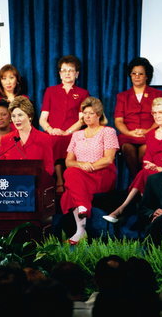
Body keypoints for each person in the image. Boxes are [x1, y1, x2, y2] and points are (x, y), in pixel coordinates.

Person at [104, 98, 162, 223]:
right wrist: (150, 165)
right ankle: (140, 211)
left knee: (145, 175)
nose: (156, 116)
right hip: (154, 170)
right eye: (154, 113)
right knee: (146, 173)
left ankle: (122, 209)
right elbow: (147, 157)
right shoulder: (150, 134)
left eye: (160, 112)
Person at [60, 97, 119, 244]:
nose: (87, 116)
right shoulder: (77, 135)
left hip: (102, 174)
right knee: (70, 172)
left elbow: (108, 159)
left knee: (70, 185)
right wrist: (82, 165)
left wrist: (89, 166)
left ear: (98, 114)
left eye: (91, 113)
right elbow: (68, 162)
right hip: (81, 175)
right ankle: (81, 229)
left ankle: (81, 222)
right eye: (84, 113)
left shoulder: (108, 131)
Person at [39, 55, 89, 194]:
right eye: (64, 70)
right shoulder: (51, 91)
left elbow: (82, 120)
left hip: (72, 133)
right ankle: (59, 181)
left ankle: (70, 181)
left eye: (71, 70)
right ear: (60, 74)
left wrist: (67, 132)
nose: (67, 73)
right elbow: (42, 119)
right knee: (51, 141)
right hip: (53, 132)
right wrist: (50, 129)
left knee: (70, 141)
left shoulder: (83, 93)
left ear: (77, 74)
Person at [114, 57, 162, 180]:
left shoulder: (157, 94)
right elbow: (118, 120)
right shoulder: (123, 96)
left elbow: (160, 118)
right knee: (126, 148)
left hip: (149, 134)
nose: (136, 76)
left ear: (147, 76)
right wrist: (129, 132)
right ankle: (138, 182)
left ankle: (140, 184)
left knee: (145, 150)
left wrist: (147, 131)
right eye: (134, 73)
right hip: (128, 135)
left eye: (140, 74)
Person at [0, 96, 54, 177]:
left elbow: (49, 168)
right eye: (13, 116)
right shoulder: (5, 139)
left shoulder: (44, 138)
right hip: (12, 185)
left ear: (29, 116)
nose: (16, 120)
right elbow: (1, 168)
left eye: (20, 115)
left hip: (36, 185)